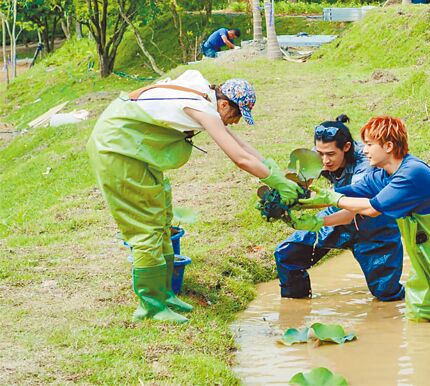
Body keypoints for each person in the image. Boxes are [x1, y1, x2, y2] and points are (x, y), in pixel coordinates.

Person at [87, 70, 302, 324]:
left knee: (163, 218)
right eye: (235, 115)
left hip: (135, 149)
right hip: (117, 150)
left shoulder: (202, 93)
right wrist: (273, 181)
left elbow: (240, 144)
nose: (234, 122)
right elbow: (239, 158)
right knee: (146, 227)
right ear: (223, 104)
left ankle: (165, 294)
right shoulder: (202, 107)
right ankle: (151, 306)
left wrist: (273, 170)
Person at [293, 116, 430, 323]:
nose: (363, 151)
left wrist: (332, 199)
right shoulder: (383, 175)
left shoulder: (412, 173)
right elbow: (349, 194)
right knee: (423, 312)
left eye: (369, 144)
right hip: (425, 247)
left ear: (389, 146)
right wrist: (304, 205)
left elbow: (371, 208)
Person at [274, 115, 405, 301]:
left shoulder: (366, 165)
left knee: (386, 293)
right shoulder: (320, 155)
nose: (324, 160)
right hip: (338, 209)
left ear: (346, 148)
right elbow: (300, 186)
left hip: (374, 225)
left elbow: (352, 212)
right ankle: (296, 311)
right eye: (320, 153)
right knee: (287, 254)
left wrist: (316, 222)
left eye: (330, 155)